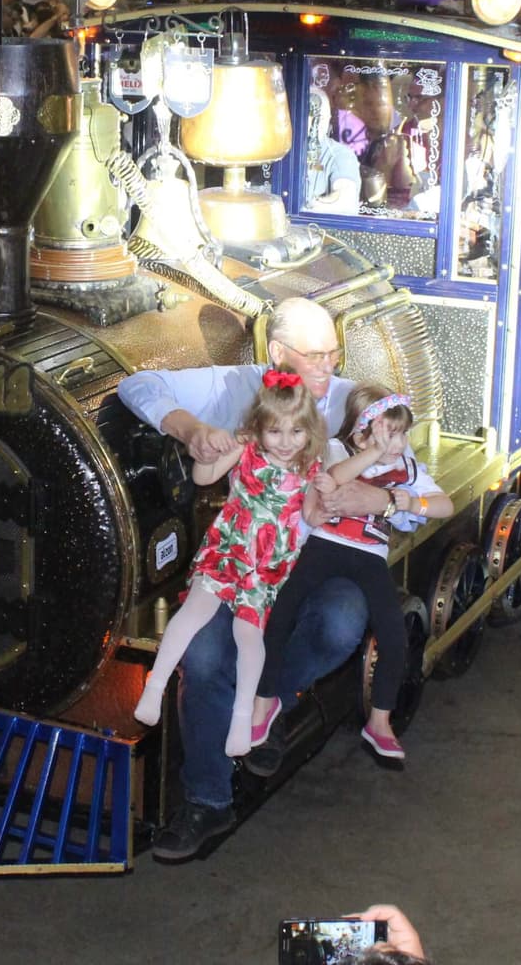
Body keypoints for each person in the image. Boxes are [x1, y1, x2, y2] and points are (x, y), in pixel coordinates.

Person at [116, 297, 386, 860]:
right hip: (242, 560)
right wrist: (190, 429)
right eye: (316, 355)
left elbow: (408, 463)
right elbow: (136, 386)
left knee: (342, 620)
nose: (330, 366)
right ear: (277, 353)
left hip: (311, 561)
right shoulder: (235, 386)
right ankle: (209, 800)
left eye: (335, 351)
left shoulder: (350, 401)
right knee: (207, 657)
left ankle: (272, 699)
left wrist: (381, 496)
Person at [134, 367, 327, 756]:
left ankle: (243, 717)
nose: (286, 442)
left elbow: (310, 516)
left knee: (248, 634)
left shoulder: (311, 467)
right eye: (275, 431)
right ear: (259, 426)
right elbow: (204, 478)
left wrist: (324, 502)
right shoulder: (247, 448)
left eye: (296, 432)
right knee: (193, 612)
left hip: (267, 562)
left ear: (310, 432)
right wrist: (215, 448)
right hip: (230, 544)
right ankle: (154, 689)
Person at [256, 385, 451, 763]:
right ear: (361, 433)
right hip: (324, 547)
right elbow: (335, 476)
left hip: (369, 557)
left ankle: (380, 720)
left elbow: (443, 504)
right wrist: (374, 453)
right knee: (281, 613)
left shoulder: (405, 466)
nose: (400, 444)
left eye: (402, 434)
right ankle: (263, 702)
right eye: (390, 434)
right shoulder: (338, 449)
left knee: (394, 633)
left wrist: (406, 500)